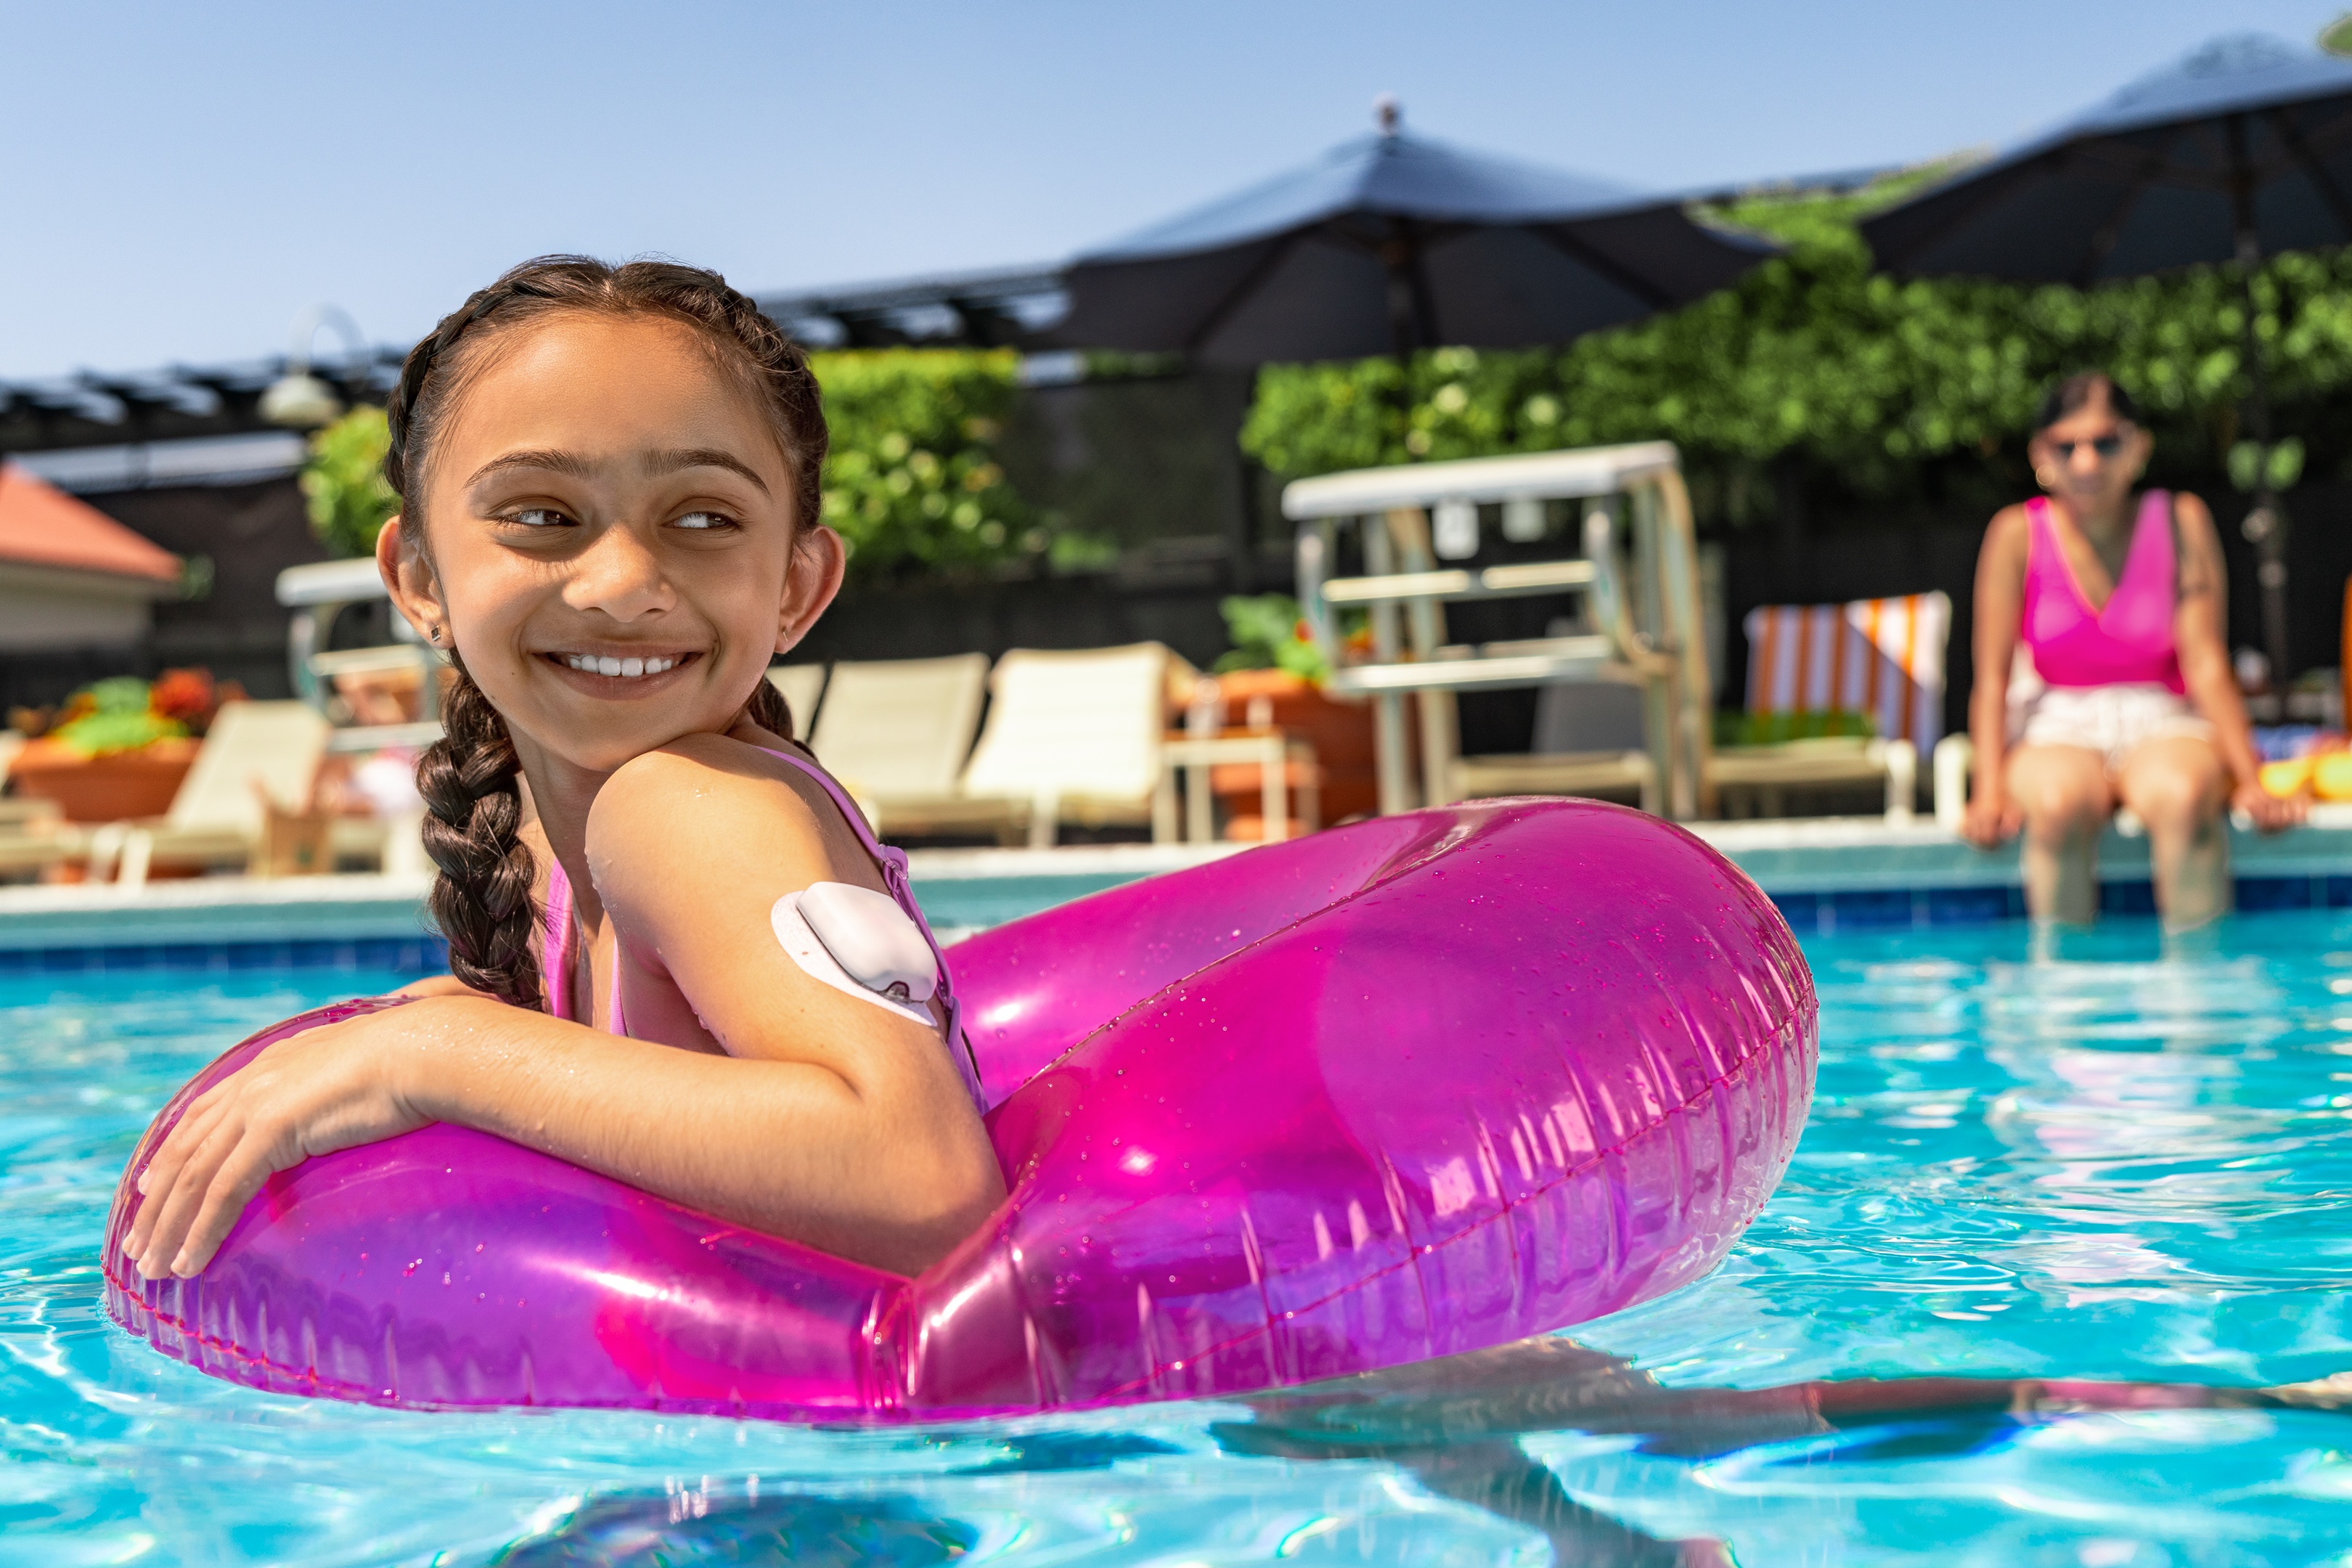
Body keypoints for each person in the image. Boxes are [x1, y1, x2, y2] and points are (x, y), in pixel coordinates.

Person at [124, 258, 1005, 1282]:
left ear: (797, 588)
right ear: (419, 578)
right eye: (541, 515)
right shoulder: (546, 846)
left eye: (704, 517)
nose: (623, 585)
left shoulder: (687, 807)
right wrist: (446, 1024)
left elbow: (919, 1183)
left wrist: (431, 1060)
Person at [1961, 372, 2300, 926]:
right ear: (2040, 455)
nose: (2087, 461)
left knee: (2184, 796)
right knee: (2057, 805)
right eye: (2067, 446)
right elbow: (1992, 679)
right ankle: (2062, 980)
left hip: (2163, 717)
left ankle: (2199, 978)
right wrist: (1987, 792)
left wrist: (2252, 780)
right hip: (2055, 723)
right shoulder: (2015, 533)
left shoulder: (2181, 520)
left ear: (2139, 447)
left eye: (2106, 442)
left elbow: (2206, 663)